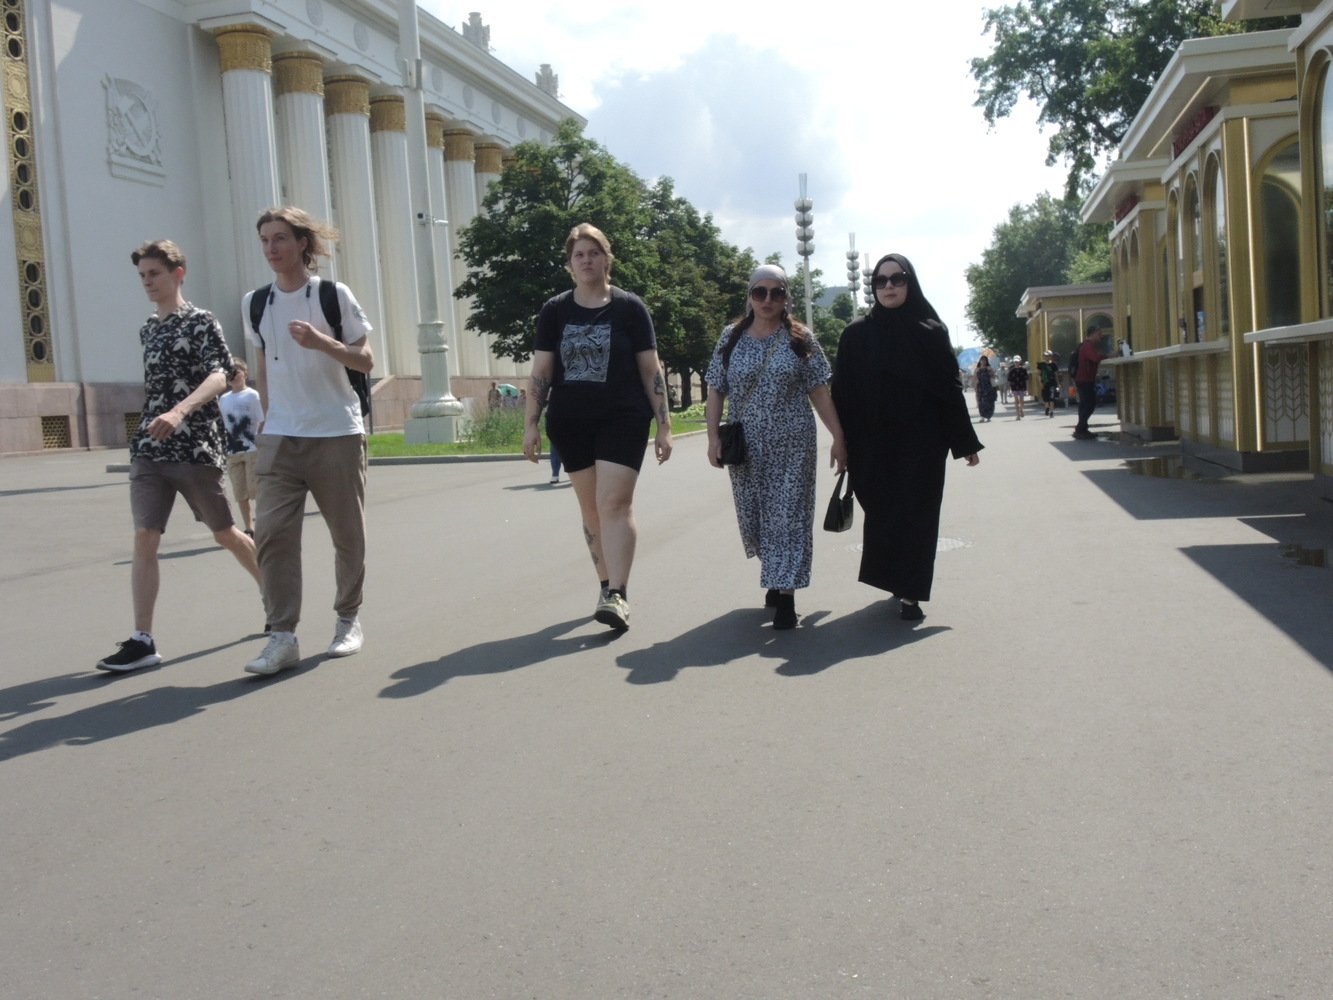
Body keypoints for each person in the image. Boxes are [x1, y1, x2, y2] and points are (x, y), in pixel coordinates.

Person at [97, 239, 261, 672]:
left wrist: (180, 410)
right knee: (145, 535)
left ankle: (274, 596)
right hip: (149, 447)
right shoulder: (148, 329)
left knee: (225, 533)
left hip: (193, 446)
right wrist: (159, 418)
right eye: (142, 276)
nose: (147, 282)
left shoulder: (200, 321)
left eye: (154, 273)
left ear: (178, 274)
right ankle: (142, 640)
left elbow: (220, 376)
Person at [242, 206, 375, 675]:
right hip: (281, 434)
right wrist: (265, 418)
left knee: (347, 534)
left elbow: (365, 360)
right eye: (265, 240)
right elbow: (263, 368)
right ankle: (282, 636)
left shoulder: (332, 295)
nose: (271, 248)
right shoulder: (255, 302)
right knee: (271, 534)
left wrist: (324, 343)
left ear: (302, 243)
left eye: (280, 238)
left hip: (336, 431)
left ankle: (348, 619)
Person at [524, 222, 672, 631]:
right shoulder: (555, 310)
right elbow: (541, 371)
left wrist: (664, 425)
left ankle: (619, 594)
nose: (586, 260)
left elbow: (650, 369)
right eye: (579, 255)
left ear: (607, 258)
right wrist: (531, 425)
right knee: (591, 509)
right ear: (570, 264)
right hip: (571, 421)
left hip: (623, 417)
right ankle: (606, 587)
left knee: (614, 504)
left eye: (594, 253)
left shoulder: (630, 308)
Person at [832, 253, 982, 621]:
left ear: (909, 283)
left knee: (917, 515)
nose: (888, 286)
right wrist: (841, 442)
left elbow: (949, 390)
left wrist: (964, 442)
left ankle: (911, 594)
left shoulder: (930, 332)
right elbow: (842, 394)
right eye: (880, 280)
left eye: (897, 278)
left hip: (922, 444)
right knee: (883, 514)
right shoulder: (856, 335)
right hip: (871, 447)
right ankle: (895, 578)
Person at [704, 264, 846, 629]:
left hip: (793, 446)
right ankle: (775, 570)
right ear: (750, 296)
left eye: (776, 292)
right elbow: (716, 388)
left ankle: (786, 597)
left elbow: (819, 391)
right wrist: (712, 437)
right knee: (755, 518)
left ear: (786, 298)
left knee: (789, 518)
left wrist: (838, 437)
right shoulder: (731, 337)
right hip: (747, 449)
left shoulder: (800, 338)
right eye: (760, 292)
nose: (768, 299)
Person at [218, 358, 264, 534]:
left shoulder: (252, 395)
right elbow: (222, 424)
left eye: (236, 373)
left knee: (255, 490)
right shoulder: (224, 399)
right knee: (240, 492)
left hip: (252, 449)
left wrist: (261, 441)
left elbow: (262, 420)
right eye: (229, 374)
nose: (233, 377)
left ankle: (263, 524)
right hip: (232, 451)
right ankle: (249, 528)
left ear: (245, 374)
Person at [1072, 325, 1114, 439]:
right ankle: (1080, 429)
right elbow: (1095, 358)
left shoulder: (1087, 346)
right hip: (1084, 380)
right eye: (1099, 334)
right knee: (1088, 404)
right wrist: (1109, 355)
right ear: (1092, 334)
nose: (1101, 336)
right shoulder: (1088, 346)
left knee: (1086, 404)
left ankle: (1082, 429)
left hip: (1085, 379)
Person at [1037, 350, 1060, 418]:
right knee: (1045, 397)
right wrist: (1040, 383)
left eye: (1047, 356)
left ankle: (1051, 411)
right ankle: (1047, 407)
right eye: (1045, 356)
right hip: (1044, 383)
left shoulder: (1053, 365)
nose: (1046, 357)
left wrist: (1058, 383)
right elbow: (1038, 375)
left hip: (1052, 383)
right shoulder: (1041, 364)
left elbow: (1056, 375)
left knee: (1052, 397)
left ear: (1050, 356)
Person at [974, 355, 996, 422]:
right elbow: (974, 378)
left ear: (986, 361)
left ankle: (988, 416)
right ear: (980, 361)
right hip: (980, 387)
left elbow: (994, 376)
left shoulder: (989, 368)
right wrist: (975, 387)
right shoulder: (977, 369)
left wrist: (990, 371)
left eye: (985, 360)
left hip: (989, 387)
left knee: (989, 402)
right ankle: (982, 416)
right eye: (982, 360)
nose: (983, 361)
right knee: (981, 402)